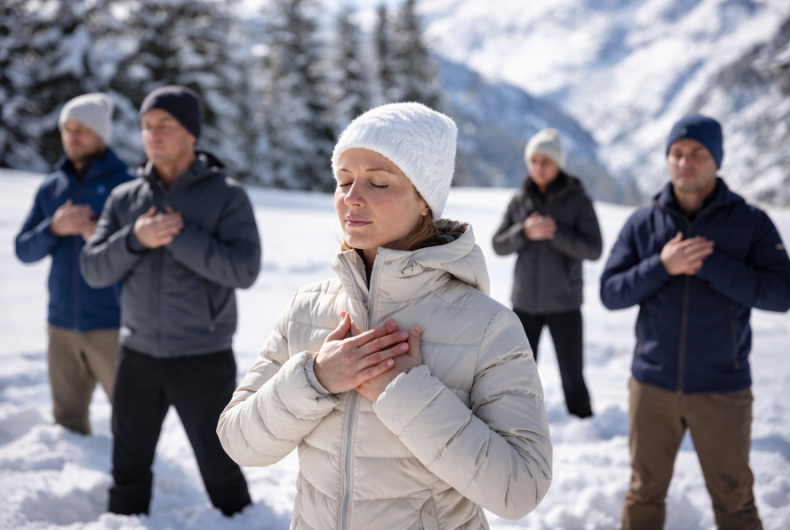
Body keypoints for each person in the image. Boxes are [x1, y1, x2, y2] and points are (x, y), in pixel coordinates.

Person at [217, 102, 553, 529]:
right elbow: (237, 441)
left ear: (424, 201)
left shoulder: (488, 327)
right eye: (343, 180)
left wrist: (404, 392)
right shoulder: (308, 309)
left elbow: (520, 489)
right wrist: (316, 378)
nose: (352, 198)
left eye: (377, 182)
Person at [600, 114, 790, 530]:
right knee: (644, 493)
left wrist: (711, 265)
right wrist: (663, 265)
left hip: (722, 388)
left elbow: (783, 294)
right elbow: (610, 292)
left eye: (697, 153)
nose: (684, 161)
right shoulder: (644, 222)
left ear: (717, 160)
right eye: (677, 153)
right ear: (667, 159)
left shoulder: (750, 222)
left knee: (735, 501)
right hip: (651, 386)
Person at [80, 86, 260, 517]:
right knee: (127, 466)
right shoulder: (126, 199)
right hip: (137, 353)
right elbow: (94, 268)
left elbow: (244, 270)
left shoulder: (226, 196)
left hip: (202, 355)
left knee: (220, 466)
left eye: (165, 124)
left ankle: (245, 523)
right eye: (146, 126)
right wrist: (136, 239)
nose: (153, 134)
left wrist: (181, 237)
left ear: (191, 134)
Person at [15, 93, 132, 435]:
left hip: (114, 325)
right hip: (61, 326)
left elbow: (145, 255)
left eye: (81, 129)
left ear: (101, 135)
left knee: (132, 422)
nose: (72, 137)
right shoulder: (52, 187)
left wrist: (102, 237)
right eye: (67, 129)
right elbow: (23, 250)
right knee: (67, 424)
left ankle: (137, 485)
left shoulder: (126, 186)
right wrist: (54, 228)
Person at [492, 128, 602, 419]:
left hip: (564, 302)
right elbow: (498, 244)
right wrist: (525, 232)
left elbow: (594, 249)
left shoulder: (579, 201)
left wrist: (556, 234)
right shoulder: (520, 201)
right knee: (520, 370)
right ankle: (518, 419)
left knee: (572, 372)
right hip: (524, 302)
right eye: (534, 160)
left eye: (546, 161)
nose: (539, 167)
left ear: (558, 164)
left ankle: (584, 424)